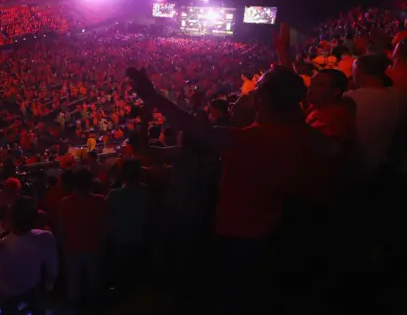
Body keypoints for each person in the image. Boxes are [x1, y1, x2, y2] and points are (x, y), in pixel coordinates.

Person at [127, 65, 336, 315]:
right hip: (274, 231)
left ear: (262, 99)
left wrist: (153, 96)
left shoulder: (255, 139)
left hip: (241, 235)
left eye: (256, 89)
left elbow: (199, 131)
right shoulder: (305, 135)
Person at [0, 197, 58, 315]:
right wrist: (49, 283)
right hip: (33, 285)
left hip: (7, 291)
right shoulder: (45, 237)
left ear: (10, 218)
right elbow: (52, 264)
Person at [344, 54, 407, 176]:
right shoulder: (399, 96)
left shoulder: (350, 98)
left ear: (359, 70)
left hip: (357, 166)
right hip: (388, 166)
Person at [58, 168, 107, 310]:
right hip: (94, 248)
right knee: (93, 284)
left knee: (74, 287)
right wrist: (101, 245)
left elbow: (61, 231)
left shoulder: (64, 203)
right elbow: (105, 228)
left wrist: (63, 249)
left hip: (72, 249)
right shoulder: (101, 201)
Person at [106, 158, 150, 293]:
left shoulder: (114, 195)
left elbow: (106, 219)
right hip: (141, 238)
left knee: (122, 275)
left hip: (120, 240)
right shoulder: (147, 191)